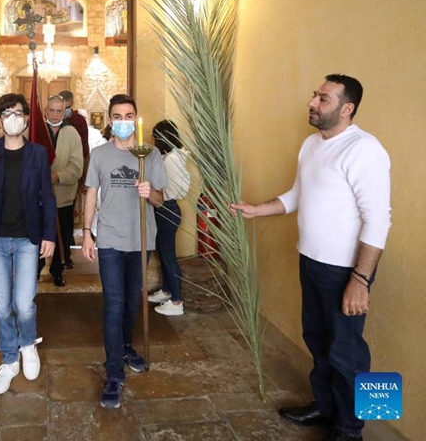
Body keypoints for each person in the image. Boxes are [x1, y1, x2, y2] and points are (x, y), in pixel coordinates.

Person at [230, 74, 391, 441]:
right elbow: (299, 194)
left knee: (349, 353)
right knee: (318, 341)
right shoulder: (311, 145)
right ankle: (326, 407)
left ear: (346, 108)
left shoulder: (364, 149)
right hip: (311, 262)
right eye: (315, 95)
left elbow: (379, 219)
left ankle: (351, 431)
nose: (312, 102)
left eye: (323, 98)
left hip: (345, 272)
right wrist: (258, 209)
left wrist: (360, 280)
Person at [81, 94, 168, 409]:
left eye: (128, 115)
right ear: (109, 120)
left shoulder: (151, 154)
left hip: (142, 239)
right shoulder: (100, 154)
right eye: (117, 116)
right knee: (114, 303)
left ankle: (126, 344)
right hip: (110, 239)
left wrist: (150, 192)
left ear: (136, 118)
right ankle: (114, 372)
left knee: (132, 299)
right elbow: (91, 194)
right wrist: (86, 232)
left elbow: (160, 199)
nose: (123, 121)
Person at [0, 93, 57, 395]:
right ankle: (9, 359)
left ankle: (27, 344)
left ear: (26, 118)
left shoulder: (37, 154)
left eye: (18, 113)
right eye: (7, 113)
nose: (13, 118)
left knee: (23, 304)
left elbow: (46, 196)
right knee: (1, 305)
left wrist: (50, 234)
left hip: (26, 238)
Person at [38, 95, 83, 286]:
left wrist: (58, 176)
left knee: (61, 234)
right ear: (45, 111)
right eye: (51, 110)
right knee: (37, 234)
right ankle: (35, 269)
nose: (55, 115)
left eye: (59, 111)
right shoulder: (35, 131)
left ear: (64, 111)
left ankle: (57, 270)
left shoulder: (72, 133)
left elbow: (77, 165)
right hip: (38, 197)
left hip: (63, 196)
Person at [147, 120, 191, 316]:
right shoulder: (170, 157)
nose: (152, 140)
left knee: (168, 255)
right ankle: (167, 290)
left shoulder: (172, 159)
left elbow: (173, 188)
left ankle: (176, 301)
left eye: (154, 137)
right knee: (163, 253)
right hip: (165, 207)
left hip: (167, 207)